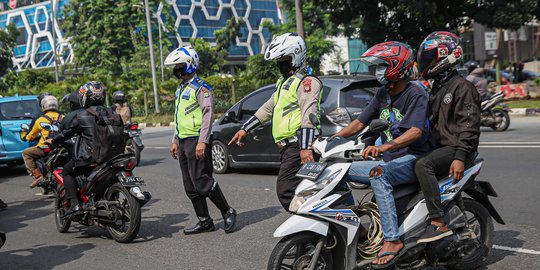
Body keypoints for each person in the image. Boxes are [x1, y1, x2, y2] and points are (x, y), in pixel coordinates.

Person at [332, 41, 430, 266]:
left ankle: (392, 240)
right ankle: (358, 228)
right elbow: (359, 123)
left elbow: (415, 131)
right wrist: (331, 141)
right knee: (339, 171)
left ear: (396, 66)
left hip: (412, 157)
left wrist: (384, 147)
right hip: (390, 159)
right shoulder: (383, 93)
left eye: (382, 66)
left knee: (378, 174)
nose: (377, 71)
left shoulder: (416, 93)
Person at [229, 32, 322, 211]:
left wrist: (305, 147)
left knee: (285, 190)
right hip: (288, 148)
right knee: (306, 189)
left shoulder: (307, 82)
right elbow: (267, 109)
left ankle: (310, 227)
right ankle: (316, 230)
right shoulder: (284, 83)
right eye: (278, 60)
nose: (280, 63)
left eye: (283, 59)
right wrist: (244, 129)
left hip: (298, 146)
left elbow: (308, 116)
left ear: (296, 55)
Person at [415, 31, 481, 244]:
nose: (427, 63)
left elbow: (469, 125)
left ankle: (438, 222)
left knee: (423, 165)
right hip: (441, 147)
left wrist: (460, 156)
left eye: (431, 59)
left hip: (456, 148)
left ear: (444, 59)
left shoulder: (462, 87)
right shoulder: (438, 88)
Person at [166, 45, 237, 234]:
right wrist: (174, 140)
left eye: (179, 66)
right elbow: (179, 116)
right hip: (182, 141)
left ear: (189, 65)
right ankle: (205, 221)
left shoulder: (202, 88)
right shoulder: (181, 89)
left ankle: (227, 211)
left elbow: (208, 115)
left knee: (202, 181)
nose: (176, 70)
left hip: (197, 140)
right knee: (189, 184)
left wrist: (202, 141)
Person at [45, 81, 107, 217]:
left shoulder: (82, 115)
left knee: (67, 171)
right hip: (112, 155)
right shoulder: (111, 111)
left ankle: (75, 205)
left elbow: (65, 133)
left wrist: (53, 140)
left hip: (92, 157)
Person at [21, 95, 63, 188]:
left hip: (46, 148)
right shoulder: (63, 117)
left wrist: (24, 136)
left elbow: (31, 136)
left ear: (43, 106)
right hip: (62, 147)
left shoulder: (40, 119)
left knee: (26, 153)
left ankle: (38, 176)